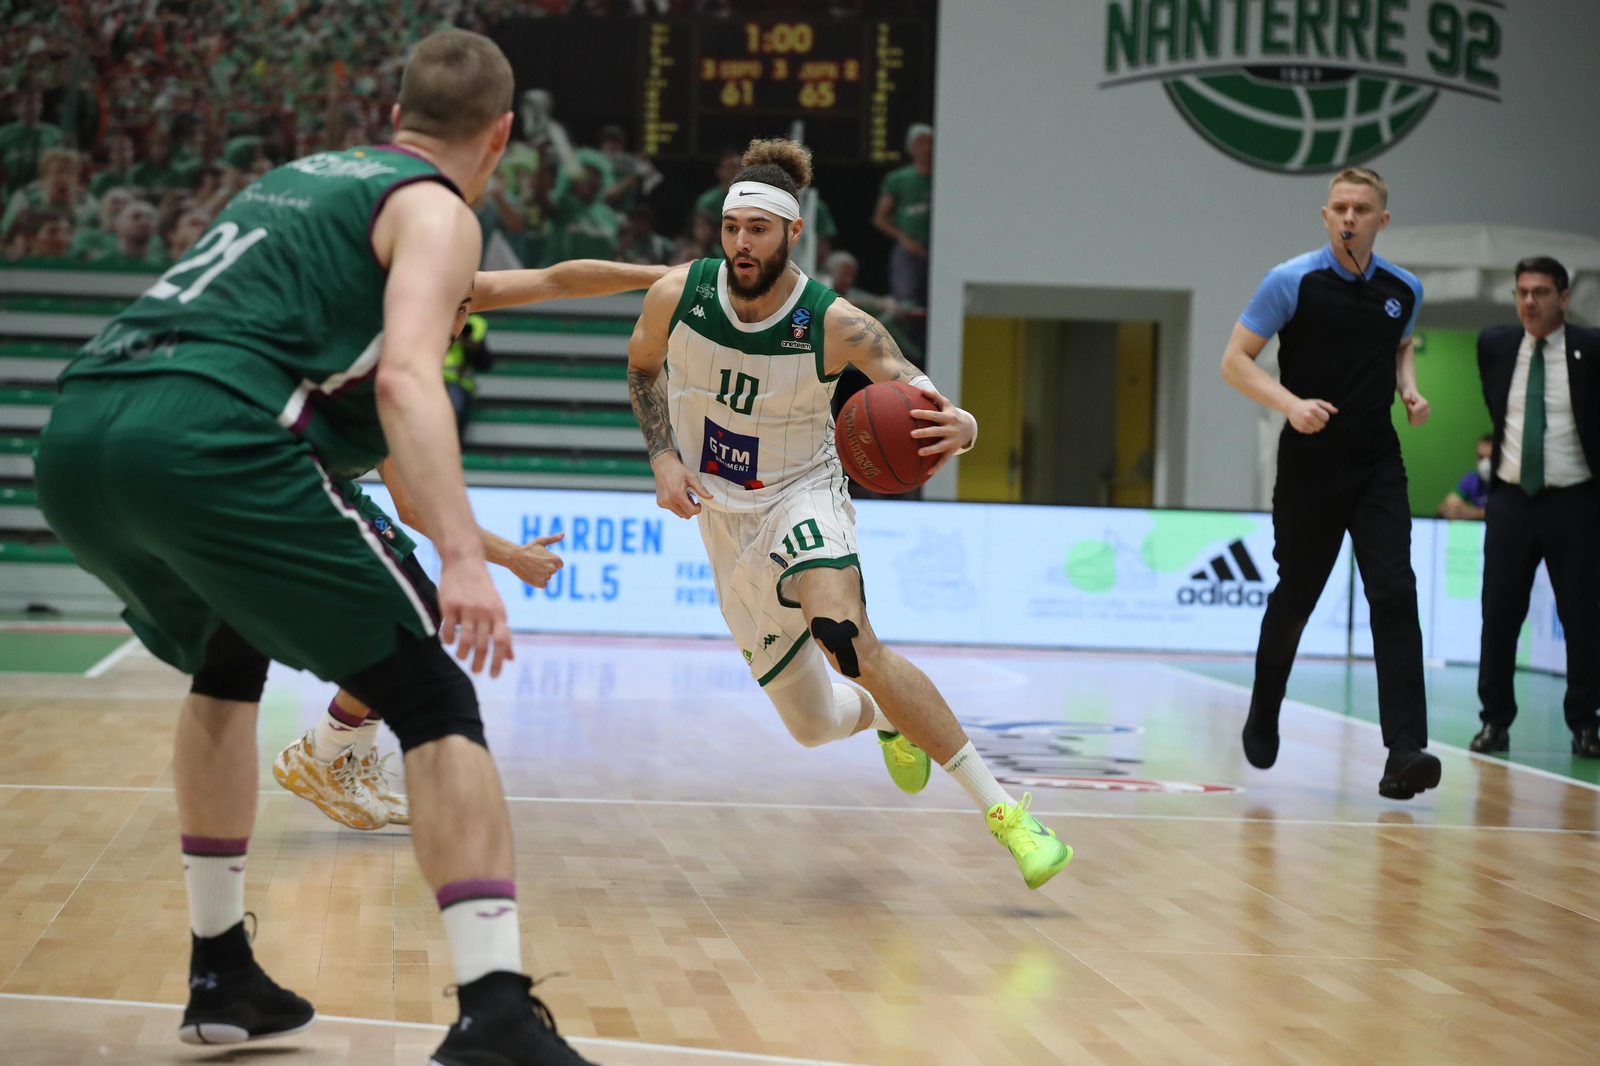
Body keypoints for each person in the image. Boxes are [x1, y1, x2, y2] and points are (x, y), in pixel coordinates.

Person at [34, 30, 599, 1065]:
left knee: (227, 658)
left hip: (78, 429)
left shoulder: (296, 179)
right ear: (503, 136)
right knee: (431, 697)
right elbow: (406, 381)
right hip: (214, 438)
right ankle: (496, 1012)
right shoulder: (439, 210)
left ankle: (220, 972)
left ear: (394, 119)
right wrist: (466, 563)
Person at [627, 138, 1072, 891]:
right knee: (811, 727)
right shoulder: (678, 296)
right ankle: (880, 715)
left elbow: (919, 393)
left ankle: (1008, 816)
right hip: (724, 522)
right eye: (733, 227)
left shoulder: (835, 322)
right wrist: (663, 457)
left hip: (803, 495)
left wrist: (963, 426)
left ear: (793, 232)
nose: (741, 242)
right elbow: (643, 367)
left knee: (846, 636)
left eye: (758, 230)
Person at [275, 259, 670, 831]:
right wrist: (512, 556)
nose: (458, 322)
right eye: (450, 309)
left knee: (414, 615)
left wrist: (665, 273)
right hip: (289, 488)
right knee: (413, 620)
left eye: (465, 307)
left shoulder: (437, 298)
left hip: (327, 483)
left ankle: (346, 760)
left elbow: (557, 280)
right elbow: (414, 507)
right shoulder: (386, 368)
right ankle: (318, 755)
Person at [1221, 166, 1440, 801]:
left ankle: (1405, 751)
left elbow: (1398, 343)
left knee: (1395, 593)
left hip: (1377, 461)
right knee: (1297, 597)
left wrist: (1409, 388)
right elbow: (1235, 360)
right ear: (1325, 216)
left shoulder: (1405, 289)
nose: (1350, 217)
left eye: (1362, 209)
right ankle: (1264, 711)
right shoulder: (1290, 281)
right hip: (1310, 463)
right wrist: (1289, 403)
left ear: (1381, 220)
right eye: (1340, 207)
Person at [1470, 257, 1600, 758]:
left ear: (1564, 299)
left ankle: (1586, 724)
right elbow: (1496, 407)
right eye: (1522, 291)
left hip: (1575, 500)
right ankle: (1494, 722)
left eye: (1541, 292)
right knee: (1498, 614)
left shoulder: (1592, 349)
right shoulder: (1495, 345)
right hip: (1510, 501)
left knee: (1582, 617)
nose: (1529, 301)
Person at [873, 123, 932, 305]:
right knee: (905, 305)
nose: (927, 148)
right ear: (911, 148)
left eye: (930, 143)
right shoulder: (898, 179)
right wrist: (905, 240)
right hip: (909, 252)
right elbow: (880, 218)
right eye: (921, 143)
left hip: (942, 253)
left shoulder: (948, 178)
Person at [0, 85, 63, 199]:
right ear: (17, 108)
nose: (34, 106)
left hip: (43, 196)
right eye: (29, 102)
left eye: (38, 101)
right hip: (11, 197)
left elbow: (60, 168)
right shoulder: (4, 134)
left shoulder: (54, 133)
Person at [444, 311, 490, 434]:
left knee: (454, 408)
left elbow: (484, 363)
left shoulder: (475, 324)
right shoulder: (436, 319)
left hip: (459, 382)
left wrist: (473, 346)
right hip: (431, 380)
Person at [690, 145, 743, 239]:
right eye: (731, 167)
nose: (736, 171)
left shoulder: (751, 197)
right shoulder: (707, 201)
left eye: (739, 167)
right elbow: (700, 233)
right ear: (719, 171)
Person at [1438, 434, 1494, 520]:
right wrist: (1450, 509)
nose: (1485, 463)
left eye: (1490, 458)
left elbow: (1510, 514)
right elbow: (1445, 506)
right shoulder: (1472, 479)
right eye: (1481, 458)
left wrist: (1474, 513)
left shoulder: (1511, 481)